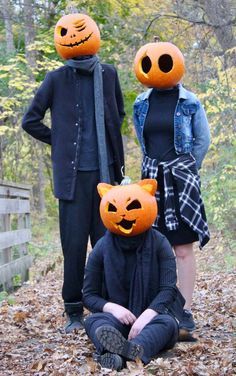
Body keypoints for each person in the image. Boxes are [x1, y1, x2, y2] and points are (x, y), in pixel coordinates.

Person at [22, 13, 125, 333]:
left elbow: (117, 114)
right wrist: (60, 141)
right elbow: (30, 120)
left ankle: (109, 307)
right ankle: (73, 312)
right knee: (74, 245)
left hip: (106, 177)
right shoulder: (55, 79)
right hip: (72, 180)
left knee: (107, 245)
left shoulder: (108, 75)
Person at [133, 41, 210, 332]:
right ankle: (159, 309)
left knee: (182, 249)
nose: (157, 67)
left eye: (164, 62)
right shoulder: (141, 103)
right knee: (155, 247)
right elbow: (145, 143)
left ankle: (185, 311)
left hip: (181, 180)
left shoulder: (190, 102)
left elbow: (203, 141)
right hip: (152, 182)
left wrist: (186, 168)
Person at [83, 179, 185, 371]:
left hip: (152, 319)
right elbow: (89, 295)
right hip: (117, 321)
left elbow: (168, 289)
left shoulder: (160, 243)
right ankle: (125, 354)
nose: (123, 214)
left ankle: (121, 353)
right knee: (93, 321)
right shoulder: (102, 247)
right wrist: (113, 308)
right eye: (113, 208)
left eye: (133, 206)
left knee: (168, 324)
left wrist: (146, 316)